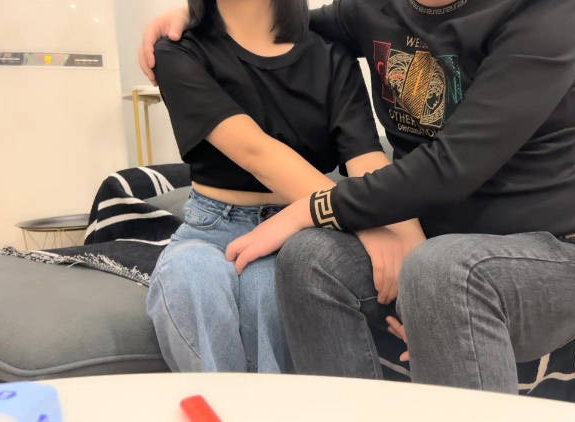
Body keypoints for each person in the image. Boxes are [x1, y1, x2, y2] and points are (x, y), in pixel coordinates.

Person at [140, 0, 575, 393]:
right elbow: (275, 23)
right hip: (434, 246)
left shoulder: (547, 10)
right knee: (308, 256)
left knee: (440, 270)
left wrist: (315, 208)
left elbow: (453, 167)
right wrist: (196, 15)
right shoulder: (372, 9)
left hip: (553, 251)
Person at [144, 0, 425, 374]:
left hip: (303, 230)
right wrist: (358, 218)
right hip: (212, 228)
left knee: (267, 286)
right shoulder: (178, 50)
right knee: (190, 273)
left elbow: (366, 158)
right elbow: (255, 151)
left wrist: (417, 268)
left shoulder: (329, 51)